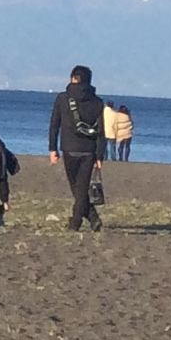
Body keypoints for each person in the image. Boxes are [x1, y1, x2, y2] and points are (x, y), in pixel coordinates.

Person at [49, 65, 108, 231]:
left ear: (73, 78)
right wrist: (100, 154)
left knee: (77, 188)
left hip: (69, 148)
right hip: (89, 150)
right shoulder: (97, 102)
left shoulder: (62, 98)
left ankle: (75, 223)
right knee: (81, 188)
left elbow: (54, 124)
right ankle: (92, 217)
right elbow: (101, 131)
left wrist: (52, 148)